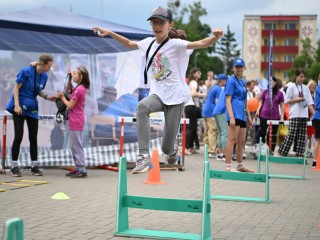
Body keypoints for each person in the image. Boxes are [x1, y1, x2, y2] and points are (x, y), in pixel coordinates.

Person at [93, 6, 223, 173]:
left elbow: (200, 43)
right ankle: (144, 156)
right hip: (158, 95)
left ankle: (172, 148)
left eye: (161, 22)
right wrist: (110, 32)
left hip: (175, 98)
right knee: (142, 107)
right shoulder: (148, 43)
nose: (157, 26)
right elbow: (128, 43)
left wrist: (215, 37)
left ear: (170, 25)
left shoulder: (177, 45)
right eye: (154, 22)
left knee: (167, 148)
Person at [5, 54, 57, 177]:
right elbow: (16, 88)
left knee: (33, 138)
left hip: (32, 107)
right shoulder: (26, 71)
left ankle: (34, 166)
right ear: (43, 64)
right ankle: (14, 166)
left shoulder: (44, 75)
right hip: (20, 106)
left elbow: (37, 90)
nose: (50, 68)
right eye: (49, 66)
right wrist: (16, 105)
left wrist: (48, 98)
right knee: (18, 136)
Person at [57, 66, 90, 178]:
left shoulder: (79, 89)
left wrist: (62, 98)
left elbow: (70, 105)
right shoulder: (79, 88)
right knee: (73, 145)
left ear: (81, 77)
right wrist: (70, 77)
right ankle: (78, 167)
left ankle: (82, 169)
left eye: (75, 74)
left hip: (76, 119)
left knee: (77, 145)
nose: (73, 75)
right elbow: (69, 89)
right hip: (74, 119)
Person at [224, 58, 253, 172]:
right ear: (233, 68)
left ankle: (240, 165)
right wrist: (231, 117)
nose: (239, 69)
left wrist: (249, 116)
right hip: (234, 113)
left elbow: (245, 100)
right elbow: (227, 100)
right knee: (232, 140)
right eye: (237, 67)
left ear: (244, 68)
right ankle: (228, 166)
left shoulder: (242, 81)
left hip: (242, 114)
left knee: (241, 141)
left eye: (241, 67)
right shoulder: (231, 81)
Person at [277, 69, 314, 157]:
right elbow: (287, 100)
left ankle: (300, 154)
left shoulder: (305, 88)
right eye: (300, 76)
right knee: (291, 134)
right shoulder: (291, 87)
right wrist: (298, 99)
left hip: (304, 115)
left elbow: (309, 103)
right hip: (294, 114)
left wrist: (314, 113)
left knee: (302, 136)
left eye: (303, 77)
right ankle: (281, 152)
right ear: (296, 76)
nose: (302, 78)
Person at [255, 77, 285, 154]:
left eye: (273, 81)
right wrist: (258, 110)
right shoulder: (265, 92)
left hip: (275, 116)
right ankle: (261, 149)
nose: (271, 82)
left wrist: (282, 116)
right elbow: (261, 102)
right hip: (264, 114)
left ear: (275, 82)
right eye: (270, 81)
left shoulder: (280, 93)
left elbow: (282, 105)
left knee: (273, 134)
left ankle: (271, 150)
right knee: (262, 132)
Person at [185, 67, 206, 155]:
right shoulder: (193, 82)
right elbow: (193, 93)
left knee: (193, 128)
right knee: (191, 127)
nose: (200, 74)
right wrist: (203, 94)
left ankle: (190, 147)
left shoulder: (191, 82)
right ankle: (185, 147)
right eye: (198, 72)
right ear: (193, 73)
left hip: (189, 106)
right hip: (191, 106)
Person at [306, 80, 317, 157]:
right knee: (308, 135)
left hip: (314, 116)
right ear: (309, 86)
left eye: (314, 85)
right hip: (307, 116)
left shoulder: (317, 95)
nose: (313, 86)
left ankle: (314, 150)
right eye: (312, 85)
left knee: (313, 134)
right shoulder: (306, 94)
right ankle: (308, 150)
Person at [312, 80, 320, 167]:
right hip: (318, 117)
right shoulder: (319, 88)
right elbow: (317, 105)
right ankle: (315, 161)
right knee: (318, 140)